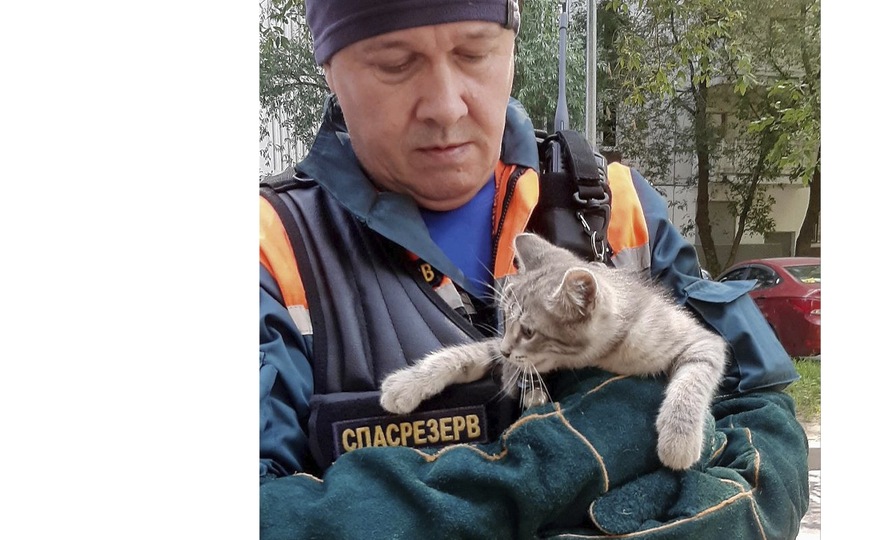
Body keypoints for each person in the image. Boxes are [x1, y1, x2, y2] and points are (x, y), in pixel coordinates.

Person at [259, 0, 810, 537]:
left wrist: (732, 515)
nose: (446, 107)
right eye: (396, 64)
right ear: (329, 70)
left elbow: (762, 411)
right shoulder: (271, 246)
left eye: (474, 53)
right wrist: (529, 477)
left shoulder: (612, 204)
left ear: (511, 51)